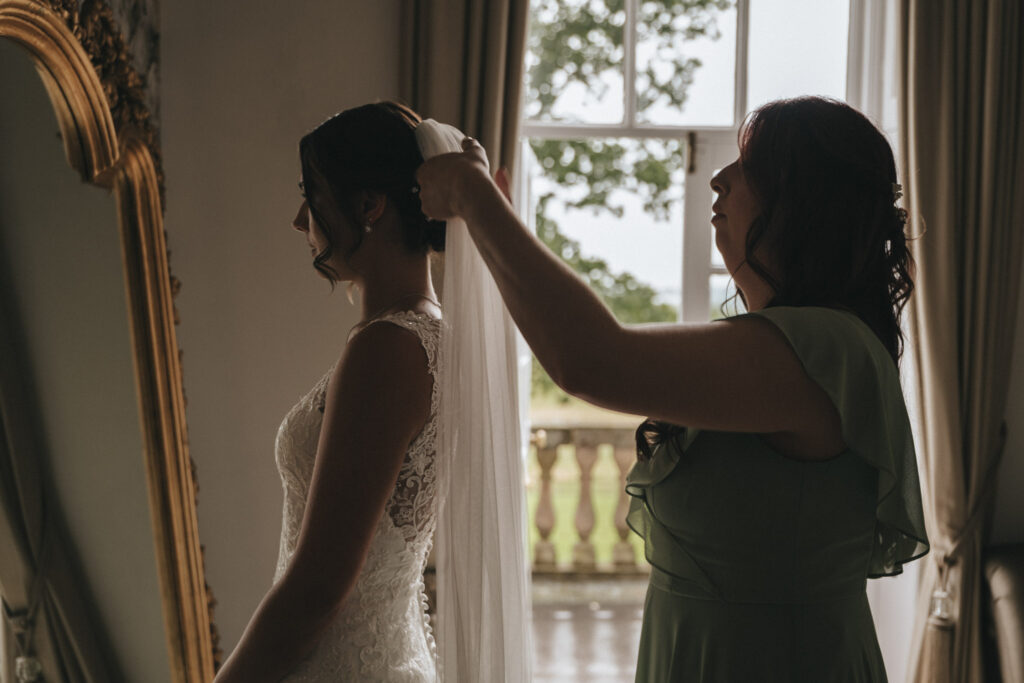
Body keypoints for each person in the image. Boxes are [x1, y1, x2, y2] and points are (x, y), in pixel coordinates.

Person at [416, 96, 929, 682]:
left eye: (748, 163)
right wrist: (489, 223)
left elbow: (593, 359)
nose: (719, 178)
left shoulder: (824, 347)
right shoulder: (793, 344)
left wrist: (475, 200)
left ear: (805, 200)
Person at [213, 101, 444, 682]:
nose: (299, 219)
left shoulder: (388, 347)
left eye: (311, 194)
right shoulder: (427, 334)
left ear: (369, 204)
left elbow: (319, 584)